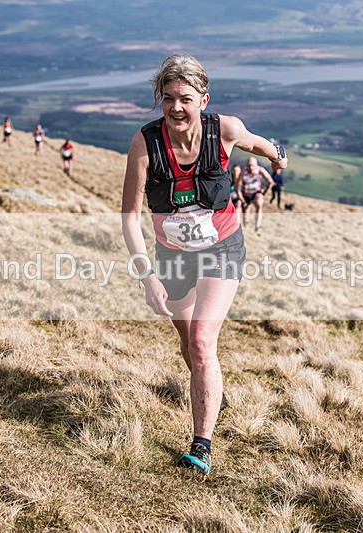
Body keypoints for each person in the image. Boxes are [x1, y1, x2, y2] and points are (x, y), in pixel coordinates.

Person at [121, 53, 287, 476]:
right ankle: (213, 391)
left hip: (222, 247)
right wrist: (146, 276)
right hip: (172, 255)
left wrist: (278, 156)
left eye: (186, 99)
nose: (176, 107)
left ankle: (201, 445)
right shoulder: (145, 143)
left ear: (204, 99)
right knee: (187, 343)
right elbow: (129, 216)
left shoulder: (223, 130)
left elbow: (257, 144)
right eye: (168, 98)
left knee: (200, 340)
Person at [237, 157, 275, 233]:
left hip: (256, 192)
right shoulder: (243, 172)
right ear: (246, 165)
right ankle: (246, 225)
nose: (250, 167)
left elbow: (270, 181)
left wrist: (265, 192)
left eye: (252, 165)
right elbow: (237, 187)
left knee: (259, 203)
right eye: (249, 165)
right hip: (245, 193)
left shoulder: (260, 170)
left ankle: (257, 225)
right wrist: (242, 199)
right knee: (246, 209)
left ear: (256, 165)